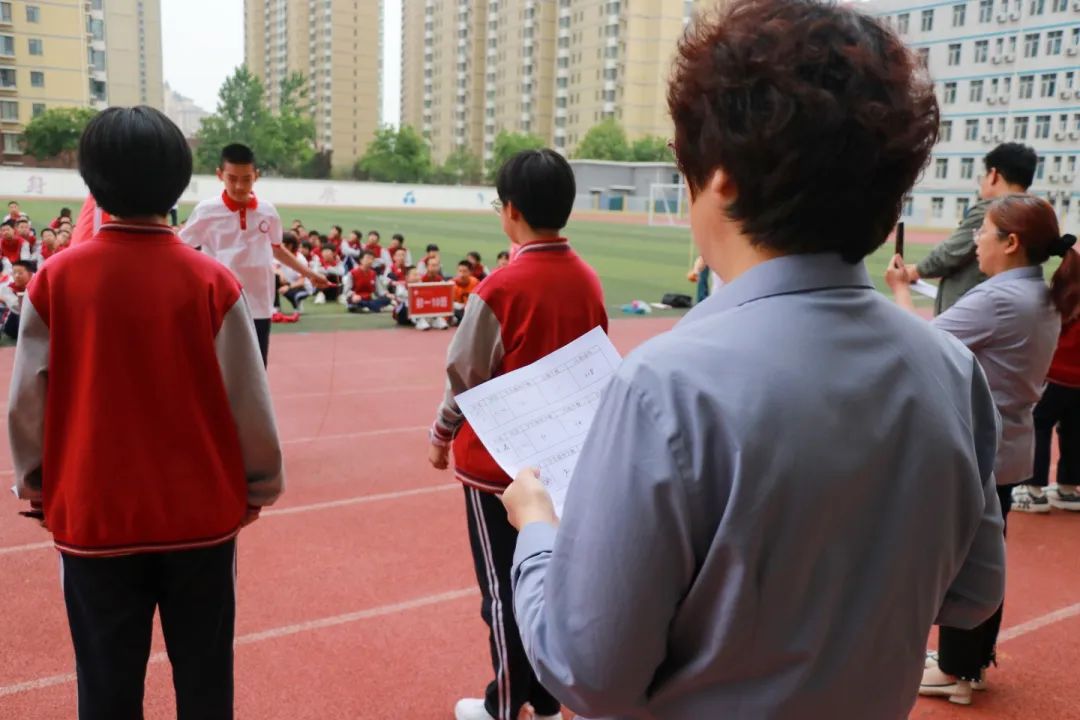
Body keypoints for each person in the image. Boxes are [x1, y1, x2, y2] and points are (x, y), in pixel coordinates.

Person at [497, 3, 1005, 718]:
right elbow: (974, 594)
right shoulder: (953, 370)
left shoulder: (667, 385)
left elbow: (588, 671)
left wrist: (539, 531)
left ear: (722, 178)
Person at [7, 105, 283, 720]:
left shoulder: (54, 281)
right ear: (181, 183)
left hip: (94, 519)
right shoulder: (212, 283)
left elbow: (28, 400)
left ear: (92, 183)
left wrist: (37, 486)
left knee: (105, 681)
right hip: (200, 519)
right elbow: (249, 397)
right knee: (206, 677)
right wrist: (259, 484)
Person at [428, 148, 607, 720]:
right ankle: (548, 699)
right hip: (564, 464)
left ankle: (504, 706)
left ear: (509, 210)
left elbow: (465, 376)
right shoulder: (586, 279)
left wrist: (439, 434)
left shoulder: (500, 288)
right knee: (553, 577)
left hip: (495, 472)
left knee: (503, 593)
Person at [886, 194, 1071, 704]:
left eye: (983, 233)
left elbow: (921, 347)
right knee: (984, 551)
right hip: (1009, 446)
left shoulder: (999, 298)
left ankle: (957, 668)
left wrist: (901, 289)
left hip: (977, 447)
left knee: (963, 556)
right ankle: (965, 662)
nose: (975, 241)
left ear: (1011, 243)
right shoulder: (1039, 293)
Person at [180, 143, 330, 366]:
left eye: (246, 178)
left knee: (257, 367)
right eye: (232, 178)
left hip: (259, 303)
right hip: (220, 303)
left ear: (256, 176)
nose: (239, 186)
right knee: (220, 367)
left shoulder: (267, 212)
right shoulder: (206, 211)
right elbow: (182, 248)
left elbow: (277, 250)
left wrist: (309, 273)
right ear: (220, 175)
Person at [907, 143, 1037, 315]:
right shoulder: (1033, 212)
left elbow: (951, 253)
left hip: (969, 309)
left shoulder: (991, 211)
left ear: (993, 175)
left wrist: (915, 271)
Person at [1012, 253, 1080, 513]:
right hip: (1078, 383)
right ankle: (1068, 487)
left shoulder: (1059, 302)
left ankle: (1033, 488)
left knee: (1038, 425)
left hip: (1054, 377)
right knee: (1074, 430)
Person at [0, 259, 33, 340]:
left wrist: (4, 300)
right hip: (13, 325)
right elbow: (17, 307)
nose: (17, 276)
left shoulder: (36, 285)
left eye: (20, 273)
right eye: (14, 273)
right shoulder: (8, 288)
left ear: (30, 274)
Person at [452, 259, 479, 324]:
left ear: (470, 272)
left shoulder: (475, 283)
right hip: (458, 310)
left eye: (465, 271)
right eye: (460, 271)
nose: (462, 274)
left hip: (471, 309)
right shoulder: (452, 284)